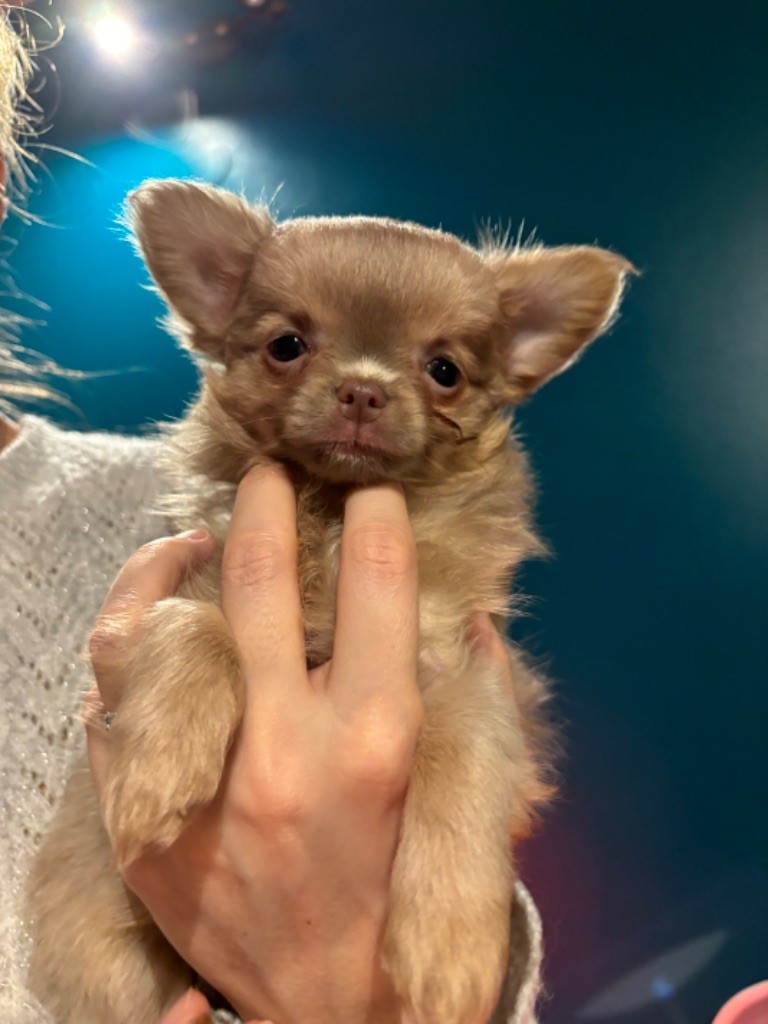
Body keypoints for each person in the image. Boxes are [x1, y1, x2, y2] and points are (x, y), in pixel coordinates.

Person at [0, 12, 542, 1024]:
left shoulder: (148, 514)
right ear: (212, 301)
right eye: (292, 347)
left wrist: (360, 996)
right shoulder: (184, 523)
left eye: (438, 369)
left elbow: (461, 962)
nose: (364, 390)